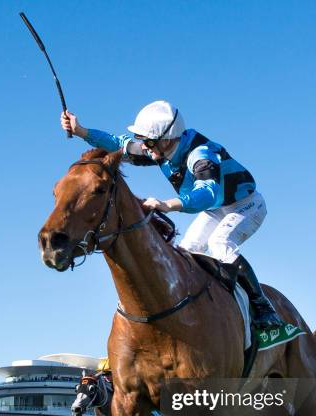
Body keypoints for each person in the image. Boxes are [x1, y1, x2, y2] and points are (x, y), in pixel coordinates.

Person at [60, 100, 283, 329]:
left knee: (219, 243)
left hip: (246, 205)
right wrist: (81, 131)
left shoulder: (201, 154)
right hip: (217, 209)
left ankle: (265, 309)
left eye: (147, 141)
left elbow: (206, 193)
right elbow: (119, 144)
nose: (144, 147)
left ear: (165, 140)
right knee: (187, 251)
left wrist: (167, 205)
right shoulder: (161, 148)